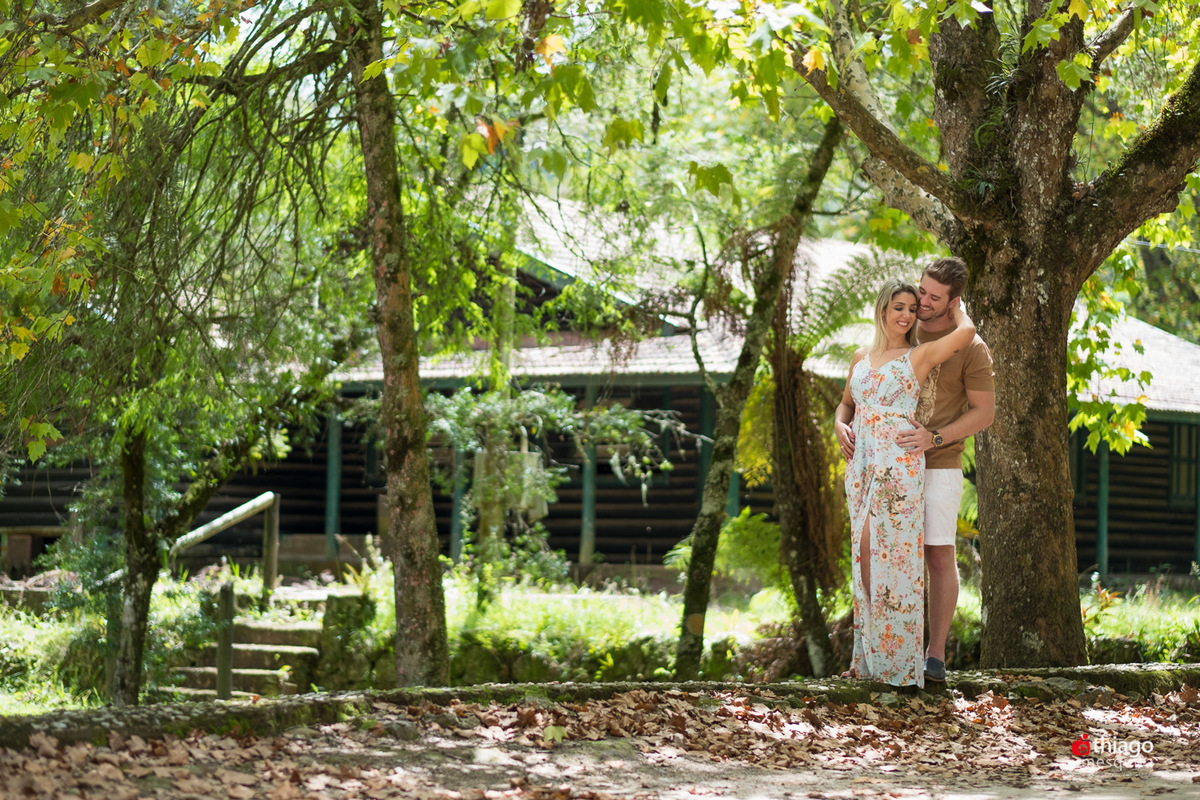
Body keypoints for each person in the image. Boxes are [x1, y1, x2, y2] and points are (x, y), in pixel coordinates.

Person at [834, 278, 976, 687]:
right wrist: (839, 425)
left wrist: (956, 308)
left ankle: (897, 663)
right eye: (899, 307)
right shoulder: (861, 357)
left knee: (894, 560)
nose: (907, 315)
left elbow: (966, 333)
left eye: (913, 309)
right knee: (863, 554)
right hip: (861, 465)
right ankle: (869, 657)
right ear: (882, 309)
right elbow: (846, 404)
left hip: (897, 465)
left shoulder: (918, 356)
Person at [894, 258, 995, 684]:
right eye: (922, 290)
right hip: (889, 462)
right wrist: (843, 420)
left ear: (955, 302)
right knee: (888, 552)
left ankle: (934, 656)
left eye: (934, 297)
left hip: (940, 464)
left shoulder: (972, 347)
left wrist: (933, 438)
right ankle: (888, 651)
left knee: (938, 553)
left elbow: (984, 413)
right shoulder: (902, 327)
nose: (923, 301)